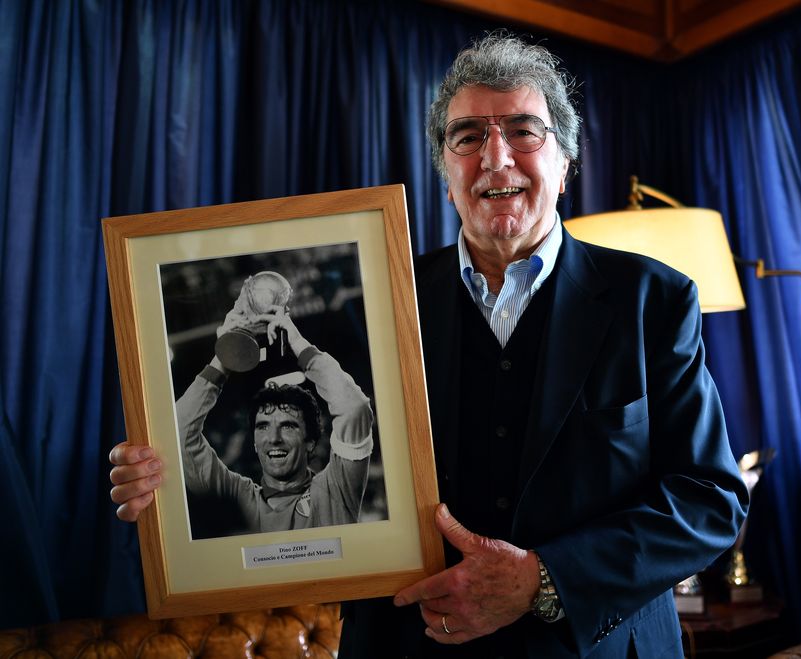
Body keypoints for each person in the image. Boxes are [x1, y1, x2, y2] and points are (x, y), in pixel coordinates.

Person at [110, 33, 748, 658]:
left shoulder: (655, 300)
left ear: (564, 167)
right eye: (467, 137)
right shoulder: (374, 300)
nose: (495, 157)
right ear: (447, 177)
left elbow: (710, 500)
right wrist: (166, 487)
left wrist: (543, 579)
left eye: (523, 132)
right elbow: (318, 462)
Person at [121, 281, 375, 535]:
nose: (273, 438)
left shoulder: (335, 490)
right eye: (263, 427)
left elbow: (354, 407)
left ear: (310, 442)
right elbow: (177, 432)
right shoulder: (235, 497)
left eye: (288, 426)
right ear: (253, 442)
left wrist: (297, 341)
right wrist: (224, 356)